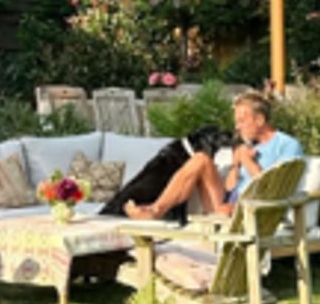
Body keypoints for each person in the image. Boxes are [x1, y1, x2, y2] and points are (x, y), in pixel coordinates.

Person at [125, 91, 302, 220]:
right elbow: (231, 186)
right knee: (200, 159)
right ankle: (156, 210)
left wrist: (247, 161)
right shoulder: (247, 145)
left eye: (241, 121)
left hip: (254, 209)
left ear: (260, 120)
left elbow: (274, 190)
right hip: (228, 204)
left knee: (226, 210)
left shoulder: (287, 145)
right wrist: (236, 164)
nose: (237, 127)